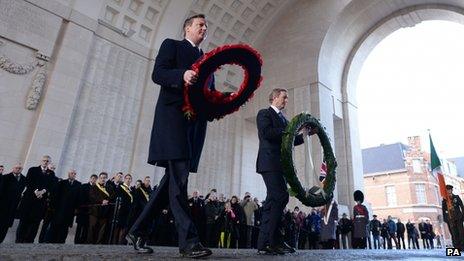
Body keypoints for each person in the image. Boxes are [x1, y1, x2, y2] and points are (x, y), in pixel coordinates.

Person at [127, 14, 212, 258]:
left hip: (194, 128)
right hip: (173, 121)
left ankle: (137, 230)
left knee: (172, 182)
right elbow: (158, 74)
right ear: (187, 28)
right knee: (179, 179)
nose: (204, 28)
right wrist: (182, 75)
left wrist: (222, 100)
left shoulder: (207, 59)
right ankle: (189, 242)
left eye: (206, 26)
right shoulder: (171, 45)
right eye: (200, 25)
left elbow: (209, 91)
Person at [256, 88, 313, 255]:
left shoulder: (285, 120)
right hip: (269, 162)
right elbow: (267, 133)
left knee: (274, 200)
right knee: (281, 197)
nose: (286, 100)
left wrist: (306, 134)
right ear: (274, 97)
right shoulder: (264, 113)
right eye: (284, 97)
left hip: (281, 165)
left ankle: (268, 242)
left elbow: (291, 140)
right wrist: (292, 130)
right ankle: (273, 241)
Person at [16, 155, 57, 243]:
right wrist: (36, 191)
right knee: (24, 222)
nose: (45, 162)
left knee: (35, 223)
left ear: (49, 162)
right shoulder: (33, 170)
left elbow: (51, 185)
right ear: (41, 161)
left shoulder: (51, 173)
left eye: (47, 161)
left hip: (41, 202)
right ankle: (19, 240)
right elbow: (28, 181)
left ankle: (29, 241)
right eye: (44, 160)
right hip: (29, 200)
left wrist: (43, 191)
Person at [46, 169, 81, 243]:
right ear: (68, 174)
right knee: (54, 226)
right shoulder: (62, 183)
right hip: (59, 209)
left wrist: (76, 209)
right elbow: (55, 195)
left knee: (64, 228)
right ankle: (50, 241)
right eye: (72, 173)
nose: (73, 175)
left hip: (69, 211)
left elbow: (78, 198)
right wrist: (53, 207)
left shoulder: (78, 184)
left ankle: (61, 242)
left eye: (74, 173)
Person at [0, 164, 26, 243]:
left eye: (20, 168)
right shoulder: (5, 177)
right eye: (16, 168)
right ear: (13, 168)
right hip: (3, 206)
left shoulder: (24, 179)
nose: (18, 169)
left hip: (13, 208)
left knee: (5, 228)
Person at [75, 174, 97, 244]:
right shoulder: (84, 186)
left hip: (90, 211)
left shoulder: (96, 188)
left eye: (95, 179)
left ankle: (83, 241)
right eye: (93, 178)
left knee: (86, 227)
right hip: (82, 210)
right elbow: (80, 197)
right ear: (90, 179)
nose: (94, 180)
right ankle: (76, 240)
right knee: (79, 227)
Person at [442, 184, 464, 250]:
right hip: (451, 219)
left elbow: (462, 206)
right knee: (454, 233)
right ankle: (457, 247)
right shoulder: (445, 200)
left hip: (459, 217)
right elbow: (444, 210)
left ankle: (463, 246)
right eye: (447, 190)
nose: (449, 191)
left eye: (450, 190)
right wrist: (446, 219)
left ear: (451, 190)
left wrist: (463, 216)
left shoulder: (456, 197)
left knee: (461, 232)